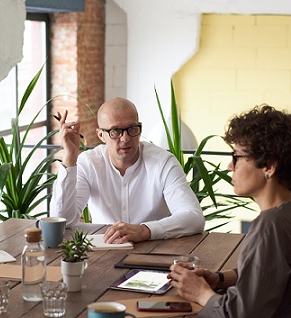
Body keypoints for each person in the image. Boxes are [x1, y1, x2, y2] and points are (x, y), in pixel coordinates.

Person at [168, 105, 291, 317]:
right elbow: (271, 276)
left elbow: (240, 314)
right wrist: (220, 278)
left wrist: (201, 293)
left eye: (237, 157)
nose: (229, 166)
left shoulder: (270, 225)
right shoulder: (283, 216)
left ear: (269, 167)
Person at [50, 97, 204, 243]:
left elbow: (194, 217)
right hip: (104, 252)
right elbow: (62, 221)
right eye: (116, 131)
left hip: (153, 250)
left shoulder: (163, 163)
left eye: (132, 128)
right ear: (101, 135)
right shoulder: (89, 163)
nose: (125, 138)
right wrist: (70, 156)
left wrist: (144, 231)